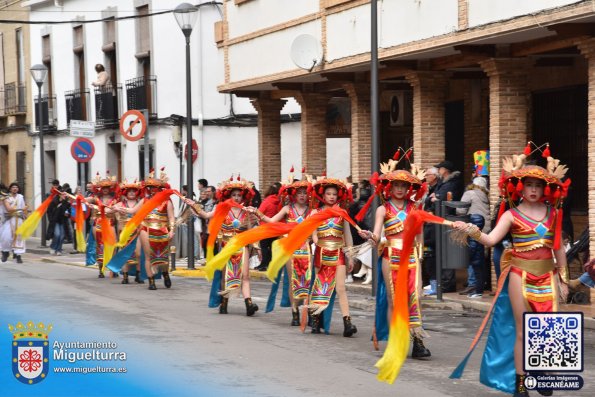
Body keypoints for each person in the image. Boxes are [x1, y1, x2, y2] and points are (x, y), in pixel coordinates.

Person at [451, 143, 570, 396]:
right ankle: (521, 381)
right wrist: (472, 231)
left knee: (550, 329)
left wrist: (563, 280)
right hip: (520, 276)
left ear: (545, 188)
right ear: (520, 188)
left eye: (538, 185)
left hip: (548, 276)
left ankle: (546, 375)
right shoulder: (511, 215)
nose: (534, 190)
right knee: (523, 330)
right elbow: (491, 240)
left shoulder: (554, 214)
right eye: (529, 185)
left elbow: (558, 249)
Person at [359, 155, 431, 357]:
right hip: (390, 257)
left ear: (408, 188)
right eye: (396, 185)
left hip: (412, 257)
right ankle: (396, 344)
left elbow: (419, 234)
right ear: (389, 187)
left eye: (403, 185)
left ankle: (417, 342)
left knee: (415, 298)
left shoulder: (415, 208)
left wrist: (421, 254)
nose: (399, 189)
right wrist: (370, 237)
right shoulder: (383, 209)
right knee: (393, 301)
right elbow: (377, 234)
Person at [191, 176, 259, 316]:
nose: (236, 198)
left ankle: (249, 304)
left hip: (242, 246)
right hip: (226, 245)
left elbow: (251, 231)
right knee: (225, 277)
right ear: (228, 195)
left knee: (245, 276)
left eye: (239, 195)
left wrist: (257, 248)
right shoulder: (222, 208)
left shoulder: (246, 211)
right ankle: (224, 303)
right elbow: (206, 214)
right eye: (233, 195)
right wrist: (193, 204)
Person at [252, 171, 313, 325]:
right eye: (299, 193)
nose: (302, 196)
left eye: (304, 193)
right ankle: (295, 312)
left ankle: (307, 310)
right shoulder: (287, 209)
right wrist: (258, 213)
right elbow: (272, 220)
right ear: (293, 194)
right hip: (290, 248)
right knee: (293, 281)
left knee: (306, 281)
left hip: (306, 248)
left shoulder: (311, 211)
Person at [308, 176, 357, 337]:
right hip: (321, 253)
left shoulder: (343, 213)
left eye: (334, 194)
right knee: (320, 286)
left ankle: (347, 322)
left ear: (338, 196)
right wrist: (318, 244)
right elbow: (313, 234)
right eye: (328, 193)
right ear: (323, 195)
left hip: (338, 252)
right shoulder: (315, 212)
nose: (331, 196)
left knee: (341, 288)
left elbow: (348, 235)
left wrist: (350, 256)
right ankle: (315, 320)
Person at [428, 160, 463, 292]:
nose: (438, 171)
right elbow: (431, 198)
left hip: (448, 219)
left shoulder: (452, 183)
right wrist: (433, 198)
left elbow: (440, 197)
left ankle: (448, 284)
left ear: (445, 170)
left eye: (440, 169)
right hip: (441, 219)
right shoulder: (444, 182)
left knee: (447, 252)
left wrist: (435, 197)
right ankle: (443, 282)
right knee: (441, 252)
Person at [138, 169, 175, 290]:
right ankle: (151, 281)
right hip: (146, 229)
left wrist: (172, 230)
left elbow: (171, 217)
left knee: (163, 257)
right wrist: (119, 209)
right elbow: (133, 210)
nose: (152, 190)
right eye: (150, 188)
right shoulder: (144, 201)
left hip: (162, 230)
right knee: (149, 256)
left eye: (155, 188)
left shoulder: (167, 202)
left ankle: (165, 274)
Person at [456, 176, 490, 298]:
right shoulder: (486, 194)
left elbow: (460, 210)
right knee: (480, 257)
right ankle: (480, 284)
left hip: (473, 225)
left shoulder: (469, 193)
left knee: (473, 256)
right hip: (486, 227)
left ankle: (473, 284)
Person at [112, 180, 144, 284]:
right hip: (124, 232)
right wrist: (113, 208)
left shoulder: (140, 203)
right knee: (125, 253)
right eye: (129, 191)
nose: (131, 193)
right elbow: (109, 210)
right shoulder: (120, 203)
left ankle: (138, 275)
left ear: (137, 192)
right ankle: (125, 276)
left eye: (133, 191)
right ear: (125, 192)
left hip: (137, 232)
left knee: (138, 254)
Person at [349, 180, 373, 284]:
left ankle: (367, 270)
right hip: (361, 229)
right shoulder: (359, 204)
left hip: (364, 228)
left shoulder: (361, 203)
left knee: (367, 248)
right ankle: (366, 270)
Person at [255, 182, 282, 271]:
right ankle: (271, 264)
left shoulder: (267, 201)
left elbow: (259, 212)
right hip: (276, 228)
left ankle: (264, 264)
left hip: (265, 227)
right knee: (272, 247)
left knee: (264, 246)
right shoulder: (280, 202)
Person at [422, 166, 440, 295]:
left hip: (432, 227)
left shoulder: (439, 187)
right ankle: (432, 283)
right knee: (427, 257)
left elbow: (434, 204)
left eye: (428, 174)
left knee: (431, 257)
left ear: (434, 176)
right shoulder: (429, 189)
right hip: (426, 225)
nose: (426, 177)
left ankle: (435, 285)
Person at [0, 183, 28, 263]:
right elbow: (9, 209)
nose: (15, 188)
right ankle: (5, 252)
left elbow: (24, 209)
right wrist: (21, 209)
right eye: (13, 187)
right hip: (9, 220)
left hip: (19, 220)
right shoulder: (6, 197)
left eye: (16, 187)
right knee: (6, 237)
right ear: (10, 189)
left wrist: (25, 216)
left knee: (19, 238)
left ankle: (18, 256)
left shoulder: (20, 197)